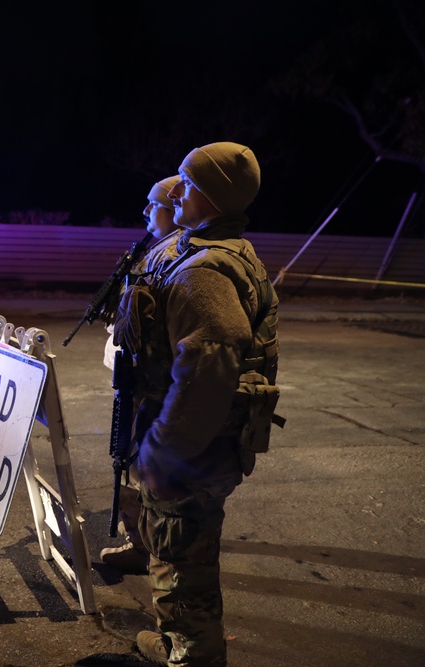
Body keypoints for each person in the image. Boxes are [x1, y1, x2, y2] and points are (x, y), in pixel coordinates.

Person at [111, 141, 281, 665]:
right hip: (202, 442)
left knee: (182, 561)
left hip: (193, 448)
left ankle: (194, 656)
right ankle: (176, 641)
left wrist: (164, 454)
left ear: (212, 195)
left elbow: (207, 369)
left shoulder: (202, 271)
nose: (176, 190)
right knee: (177, 550)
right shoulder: (205, 248)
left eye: (187, 182)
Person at [100, 174, 183, 575]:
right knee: (130, 464)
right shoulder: (155, 251)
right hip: (137, 383)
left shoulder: (177, 257)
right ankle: (141, 542)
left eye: (155, 204)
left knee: (142, 470)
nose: (147, 211)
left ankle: (149, 549)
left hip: (154, 390)